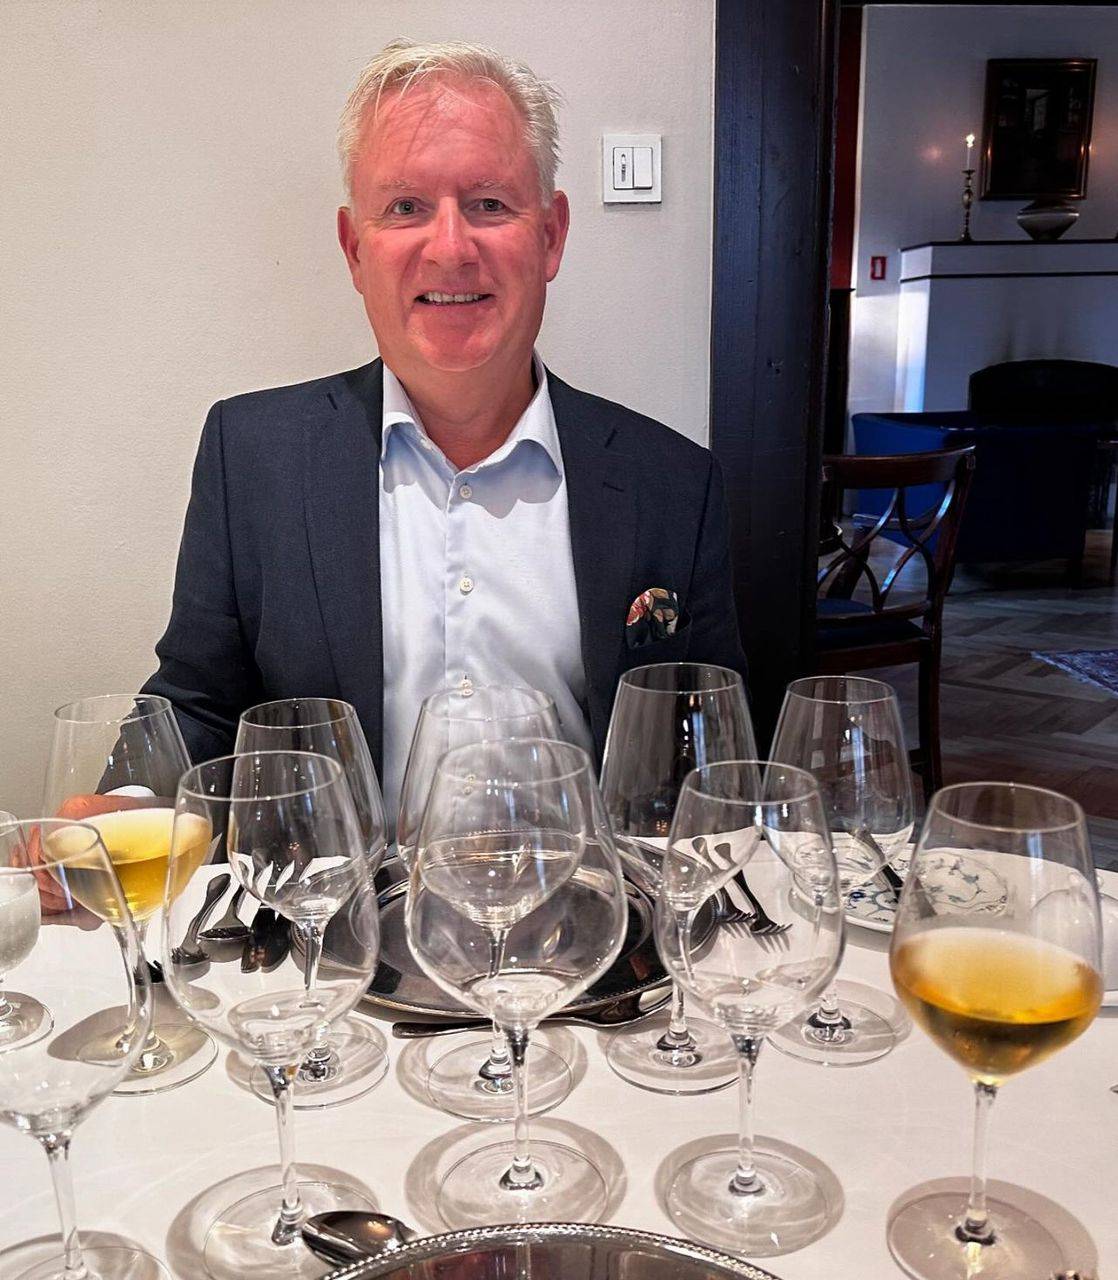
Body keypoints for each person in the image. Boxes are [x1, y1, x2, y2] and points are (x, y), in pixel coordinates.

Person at [143, 38, 746, 821]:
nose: (451, 247)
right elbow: (197, 708)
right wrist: (126, 807)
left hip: (590, 895)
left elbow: (712, 760)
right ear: (354, 249)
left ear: (551, 235)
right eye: (405, 207)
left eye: (490, 203)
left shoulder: (675, 484)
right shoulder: (251, 458)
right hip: (346, 898)